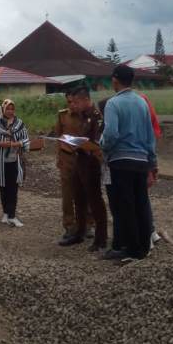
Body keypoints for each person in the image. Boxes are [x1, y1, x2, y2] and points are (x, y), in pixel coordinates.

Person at [100, 65, 157, 262]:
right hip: (141, 161)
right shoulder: (142, 103)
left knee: (126, 207)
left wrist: (103, 146)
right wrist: (152, 161)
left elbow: (111, 134)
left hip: (121, 162)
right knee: (140, 203)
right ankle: (143, 246)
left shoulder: (113, 104)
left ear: (115, 79)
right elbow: (150, 135)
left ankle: (131, 250)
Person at [58, 86, 108, 252]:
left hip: (92, 162)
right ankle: (79, 232)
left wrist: (83, 144)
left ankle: (101, 238)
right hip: (79, 160)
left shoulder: (96, 116)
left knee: (94, 200)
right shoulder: (81, 116)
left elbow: (97, 141)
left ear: (86, 100)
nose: (75, 105)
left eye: (77, 102)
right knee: (78, 198)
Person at [55, 92, 94, 240]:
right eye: (69, 102)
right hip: (67, 159)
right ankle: (69, 225)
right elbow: (59, 137)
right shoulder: (63, 115)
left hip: (84, 158)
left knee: (87, 191)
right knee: (67, 194)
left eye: (74, 101)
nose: (71, 105)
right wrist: (59, 158)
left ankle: (88, 224)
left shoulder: (88, 116)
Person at [0, 99, 31, 227]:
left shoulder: (19, 124)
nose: (10, 111)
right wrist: (0, 143)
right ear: (3, 110)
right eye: (8, 109)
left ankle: (12, 216)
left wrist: (18, 143)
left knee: (13, 189)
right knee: (3, 189)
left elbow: (26, 141)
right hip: (0, 162)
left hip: (14, 161)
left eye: (12, 109)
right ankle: (6, 213)